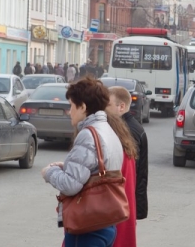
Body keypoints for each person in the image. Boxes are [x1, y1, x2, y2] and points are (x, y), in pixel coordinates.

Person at [41, 77, 124, 247]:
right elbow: (99, 170)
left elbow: (71, 185)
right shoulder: (108, 129)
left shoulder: (88, 134)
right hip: (105, 222)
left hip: (88, 227)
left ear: (83, 107)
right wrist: (66, 167)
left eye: (71, 105)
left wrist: (49, 172)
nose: (69, 111)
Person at [107, 87, 150, 246]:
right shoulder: (130, 126)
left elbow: (132, 173)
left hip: (124, 200)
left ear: (122, 107)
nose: (104, 109)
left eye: (108, 104)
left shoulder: (127, 130)